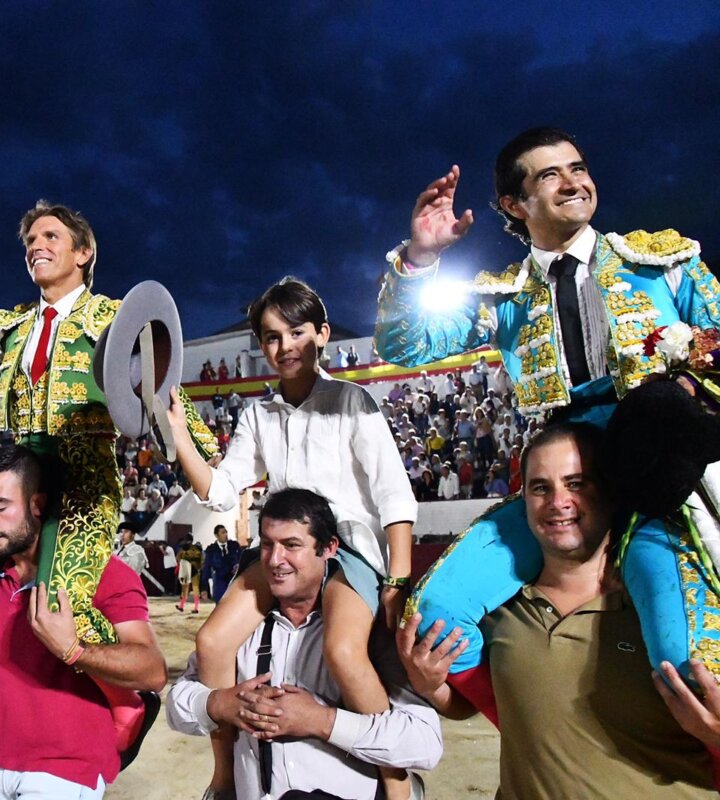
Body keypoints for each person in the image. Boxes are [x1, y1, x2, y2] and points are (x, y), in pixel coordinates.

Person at [374, 126, 720, 703]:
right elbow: (403, 346)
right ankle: (542, 723)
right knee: (435, 618)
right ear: (514, 204)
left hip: (661, 480)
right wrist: (421, 258)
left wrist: (686, 390)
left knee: (688, 667)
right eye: (550, 175)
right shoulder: (503, 298)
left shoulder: (666, 264)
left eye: (578, 168)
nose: (574, 182)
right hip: (559, 478)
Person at [0, 203, 215, 654]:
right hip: (18, 481)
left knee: (60, 618)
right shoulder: (10, 326)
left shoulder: (114, 319)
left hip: (83, 487)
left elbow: (164, 391)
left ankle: (130, 691)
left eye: (50, 237)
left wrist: (208, 455)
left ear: (84, 252)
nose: (36, 247)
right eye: (31, 241)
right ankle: (13, 680)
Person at [169, 277, 417, 798]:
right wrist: (179, 439)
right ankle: (223, 773)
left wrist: (396, 579)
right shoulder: (259, 414)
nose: (284, 348)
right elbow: (221, 488)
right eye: (271, 337)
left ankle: (396, 781)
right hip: (284, 548)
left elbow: (394, 496)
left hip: (345, 550)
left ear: (323, 334)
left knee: (346, 652)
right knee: (212, 641)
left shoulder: (355, 402)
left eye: (296, 332)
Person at [397, 425, 713, 798]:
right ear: (523, 499)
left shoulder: (670, 617)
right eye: (541, 487)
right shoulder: (498, 614)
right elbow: (492, 710)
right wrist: (431, 687)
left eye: (576, 483)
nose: (557, 502)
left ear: (610, 492)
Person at [0, 445, 167, 797]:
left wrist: (75, 649)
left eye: (0, 507)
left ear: (37, 505)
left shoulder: (106, 574)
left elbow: (152, 671)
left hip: (67, 769)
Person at [168, 489, 441, 800]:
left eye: (292, 546)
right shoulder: (241, 632)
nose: (274, 560)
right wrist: (220, 704)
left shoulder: (367, 631)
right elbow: (177, 707)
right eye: (267, 545)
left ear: (328, 549)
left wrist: (322, 721)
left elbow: (425, 744)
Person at [201, 525, 242, 603]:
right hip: (219, 581)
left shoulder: (234, 545)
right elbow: (206, 568)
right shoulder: (211, 550)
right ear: (216, 535)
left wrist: (238, 566)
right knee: (221, 604)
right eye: (223, 532)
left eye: (226, 532)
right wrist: (204, 588)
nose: (225, 534)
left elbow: (242, 559)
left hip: (234, 580)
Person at [177, 534, 204, 613]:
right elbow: (201, 560)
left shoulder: (183, 548)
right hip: (195, 570)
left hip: (186, 570)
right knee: (196, 589)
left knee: (185, 589)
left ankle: (181, 606)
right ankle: (196, 608)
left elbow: (178, 558)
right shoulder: (198, 548)